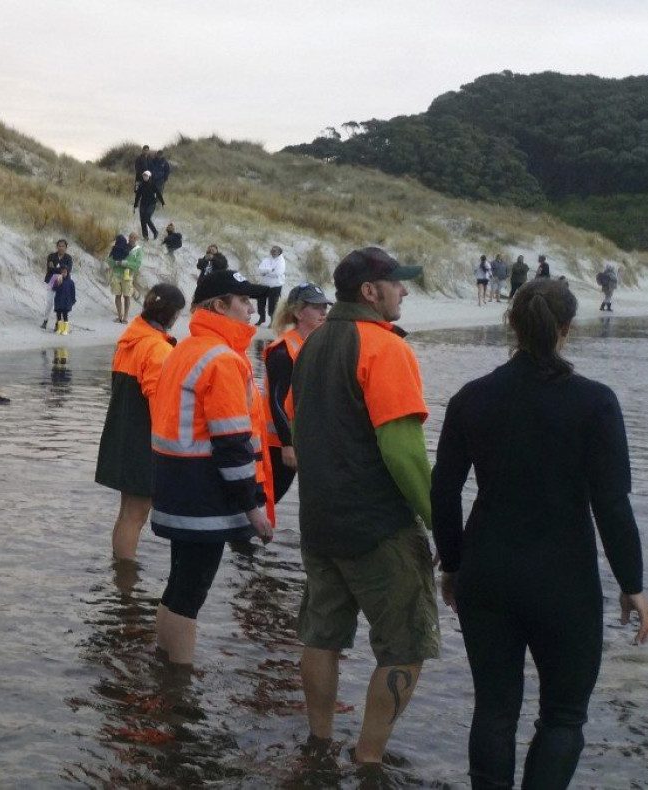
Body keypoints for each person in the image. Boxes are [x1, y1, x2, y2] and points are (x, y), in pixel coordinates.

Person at [430, 278, 648, 789]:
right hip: (564, 580)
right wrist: (632, 584)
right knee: (562, 716)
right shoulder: (595, 403)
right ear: (567, 330)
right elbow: (612, 504)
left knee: (494, 711)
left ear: (512, 324)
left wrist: (453, 565)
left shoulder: (472, 398)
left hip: (487, 573)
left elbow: (443, 492)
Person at [288, 247, 436, 765]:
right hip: (377, 526)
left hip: (318, 522)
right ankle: (369, 759)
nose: (404, 291)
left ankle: (319, 741)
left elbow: (296, 426)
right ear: (370, 292)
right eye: (397, 283)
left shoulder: (312, 344)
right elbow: (403, 452)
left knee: (322, 635)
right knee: (405, 647)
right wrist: (441, 522)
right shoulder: (384, 347)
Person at [150, 269, 273, 664]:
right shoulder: (221, 359)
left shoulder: (185, 349)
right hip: (205, 496)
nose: (252, 309)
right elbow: (232, 443)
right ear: (220, 306)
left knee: (177, 587)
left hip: (175, 486)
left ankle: (163, 669)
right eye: (244, 301)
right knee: (190, 597)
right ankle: (179, 693)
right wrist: (253, 507)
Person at [95, 283, 186, 562]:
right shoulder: (157, 349)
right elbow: (161, 405)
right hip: (143, 441)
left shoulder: (128, 341)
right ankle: (125, 577)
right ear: (171, 314)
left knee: (127, 513)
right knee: (136, 514)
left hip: (122, 435)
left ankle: (121, 576)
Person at [262, 282, 333, 503]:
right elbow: (277, 400)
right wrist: (287, 444)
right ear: (298, 313)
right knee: (267, 498)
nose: (324, 312)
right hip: (278, 443)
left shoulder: (316, 346)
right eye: (316, 307)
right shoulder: (283, 350)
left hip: (304, 439)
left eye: (325, 307)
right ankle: (240, 535)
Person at [106, 234, 140, 323]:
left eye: (134, 237)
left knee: (127, 296)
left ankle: (125, 317)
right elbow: (109, 260)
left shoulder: (138, 251)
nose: (131, 239)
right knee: (117, 295)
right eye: (130, 237)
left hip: (127, 275)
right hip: (116, 275)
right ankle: (119, 316)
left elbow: (137, 265)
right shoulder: (121, 247)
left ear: (137, 239)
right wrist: (116, 263)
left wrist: (125, 263)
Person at [42, 240, 74, 329]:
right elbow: (50, 269)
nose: (61, 248)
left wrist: (56, 268)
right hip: (51, 281)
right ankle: (45, 320)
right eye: (59, 246)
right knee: (49, 302)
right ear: (57, 247)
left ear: (66, 247)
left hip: (63, 283)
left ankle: (58, 323)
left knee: (59, 303)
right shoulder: (51, 256)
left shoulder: (68, 258)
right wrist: (61, 269)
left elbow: (68, 270)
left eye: (63, 246)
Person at [254, 245, 287, 326]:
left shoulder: (281, 262)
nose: (273, 252)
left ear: (279, 252)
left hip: (275, 286)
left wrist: (266, 272)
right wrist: (269, 270)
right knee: (260, 303)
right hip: (263, 285)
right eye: (272, 250)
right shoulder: (266, 260)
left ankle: (272, 321)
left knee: (272, 305)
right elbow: (260, 270)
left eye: (275, 251)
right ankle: (262, 318)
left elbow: (277, 273)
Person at [133, 171, 164, 241]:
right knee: (142, 220)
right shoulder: (141, 185)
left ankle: (155, 232)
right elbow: (138, 196)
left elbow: (158, 193)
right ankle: (145, 237)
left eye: (146, 176)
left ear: (149, 177)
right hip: (143, 204)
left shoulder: (153, 184)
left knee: (147, 218)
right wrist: (135, 205)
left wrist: (162, 202)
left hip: (151, 204)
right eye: (144, 176)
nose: (145, 177)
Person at [52, 263, 76, 336]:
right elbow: (54, 289)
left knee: (65, 315)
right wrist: (58, 284)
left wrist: (73, 301)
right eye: (62, 272)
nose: (63, 273)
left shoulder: (71, 282)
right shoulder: (58, 280)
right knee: (58, 315)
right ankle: (60, 328)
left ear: (67, 272)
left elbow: (73, 292)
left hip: (66, 301)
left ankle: (66, 329)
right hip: (58, 300)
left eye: (65, 272)